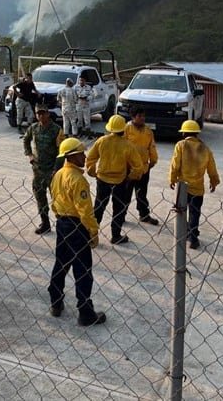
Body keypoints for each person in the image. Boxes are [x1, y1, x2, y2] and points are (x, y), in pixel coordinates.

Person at [48, 137, 106, 326]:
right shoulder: (78, 180)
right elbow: (85, 211)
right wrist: (93, 231)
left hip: (62, 224)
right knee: (83, 270)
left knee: (61, 263)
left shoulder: (57, 175)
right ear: (72, 156)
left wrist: (59, 216)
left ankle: (56, 302)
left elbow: (54, 202)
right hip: (77, 227)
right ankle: (85, 312)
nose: (85, 156)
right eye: (81, 153)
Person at [85, 114, 143, 245]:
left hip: (102, 179)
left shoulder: (101, 141)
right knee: (119, 209)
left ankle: (91, 234)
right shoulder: (128, 145)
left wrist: (92, 172)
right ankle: (115, 235)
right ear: (123, 129)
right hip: (120, 182)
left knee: (99, 206)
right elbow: (138, 166)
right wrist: (131, 177)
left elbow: (91, 158)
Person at [169, 120, 220, 249]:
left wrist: (172, 179)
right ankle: (193, 238)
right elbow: (212, 168)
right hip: (197, 188)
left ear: (184, 133)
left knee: (181, 211)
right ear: (197, 133)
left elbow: (175, 165)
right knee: (194, 213)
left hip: (182, 187)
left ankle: (183, 233)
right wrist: (214, 182)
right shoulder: (205, 148)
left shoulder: (180, 145)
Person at [23, 104, 64, 234]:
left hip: (52, 170)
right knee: (40, 197)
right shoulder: (33, 128)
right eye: (38, 114)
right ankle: (45, 223)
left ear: (48, 114)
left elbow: (62, 152)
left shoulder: (57, 130)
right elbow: (26, 139)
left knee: (57, 199)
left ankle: (61, 224)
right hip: (38, 170)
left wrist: (56, 169)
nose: (40, 116)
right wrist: (29, 155)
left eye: (43, 113)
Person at [123, 106, 159, 225]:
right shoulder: (126, 129)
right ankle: (120, 216)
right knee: (125, 195)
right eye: (139, 116)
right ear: (133, 117)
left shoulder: (148, 132)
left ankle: (144, 215)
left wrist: (153, 161)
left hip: (143, 169)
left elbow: (151, 147)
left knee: (142, 194)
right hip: (129, 169)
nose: (142, 118)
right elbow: (121, 147)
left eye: (143, 116)